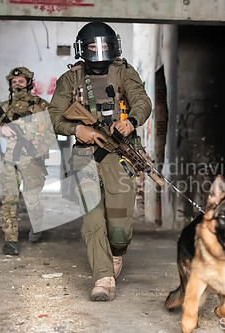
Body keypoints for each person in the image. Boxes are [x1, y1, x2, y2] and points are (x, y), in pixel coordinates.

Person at [48, 22, 152, 301]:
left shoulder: (124, 72)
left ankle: (116, 253)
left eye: (103, 45)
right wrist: (76, 130)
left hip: (118, 153)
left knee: (119, 229)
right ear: (82, 49)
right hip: (84, 154)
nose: (98, 51)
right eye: (92, 47)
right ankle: (102, 278)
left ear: (113, 46)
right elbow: (54, 115)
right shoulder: (70, 79)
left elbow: (143, 102)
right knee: (92, 217)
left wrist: (130, 122)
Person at [0, 66, 52, 255]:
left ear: (29, 83)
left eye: (21, 82)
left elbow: (51, 132)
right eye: (14, 82)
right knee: (9, 200)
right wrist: (1, 130)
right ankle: (10, 240)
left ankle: (37, 225)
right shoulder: (4, 107)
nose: (17, 85)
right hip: (9, 159)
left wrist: (40, 150)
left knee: (32, 200)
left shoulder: (42, 106)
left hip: (33, 160)